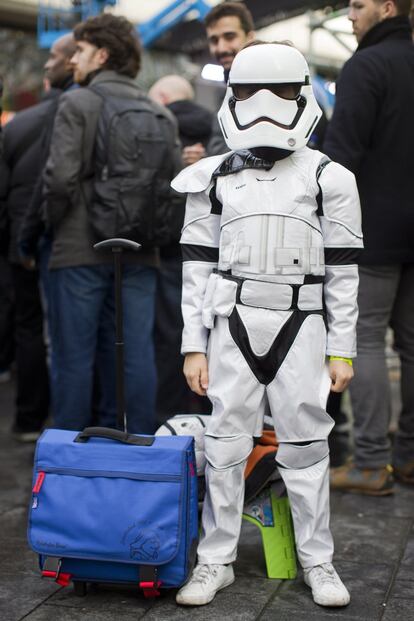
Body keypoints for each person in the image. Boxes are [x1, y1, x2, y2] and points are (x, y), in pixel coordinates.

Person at [172, 42, 363, 607]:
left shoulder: (331, 178)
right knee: (225, 443)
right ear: (231, 97)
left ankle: (318, 561)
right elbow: (196, 268)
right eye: (250, 92)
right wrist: (193, 345)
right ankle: (215, 559)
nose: (264, 105)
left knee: (306, 446)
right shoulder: (210, 177)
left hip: (300, 324)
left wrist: (343, 349)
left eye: (280, 92)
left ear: (301, 95)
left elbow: (345, 275)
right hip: (231, 322)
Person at [43, 14, 181, 433]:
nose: (73, 62)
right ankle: (134, 449)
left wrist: (53, 228)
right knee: (135, 355)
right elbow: (173, 189)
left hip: (80, 250)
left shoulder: (78, 101)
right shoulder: (160, 112)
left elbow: (60, 178)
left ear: (101, 54)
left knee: (74, 356)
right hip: (141, 252)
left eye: (80, 52)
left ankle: (69, 457)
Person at [325, 0, 414, 493]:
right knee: (413, 345)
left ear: (387, 7)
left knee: (365, 339)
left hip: (375, 228)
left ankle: (369, 464)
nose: (350, 15)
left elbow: (343, 153)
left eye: (358, 5)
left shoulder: (366, 64)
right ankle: (409, 459)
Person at [0, 36, 76, 440]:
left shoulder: (18, 126)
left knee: (30, 329)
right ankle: (69, 423)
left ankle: (31, 420)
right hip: (68, 240)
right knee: (71, 336)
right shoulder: (87, 116)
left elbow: (4, 189)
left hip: (23, 244)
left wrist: (13, 242)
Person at [149, 75, 213, 425]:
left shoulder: (159, 127)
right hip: (210, 246)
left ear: (162, 97)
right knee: (212, 332)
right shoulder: (217, 127)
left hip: (172, 246)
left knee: (170, 333)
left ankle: (169, 417)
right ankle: (207, 414)